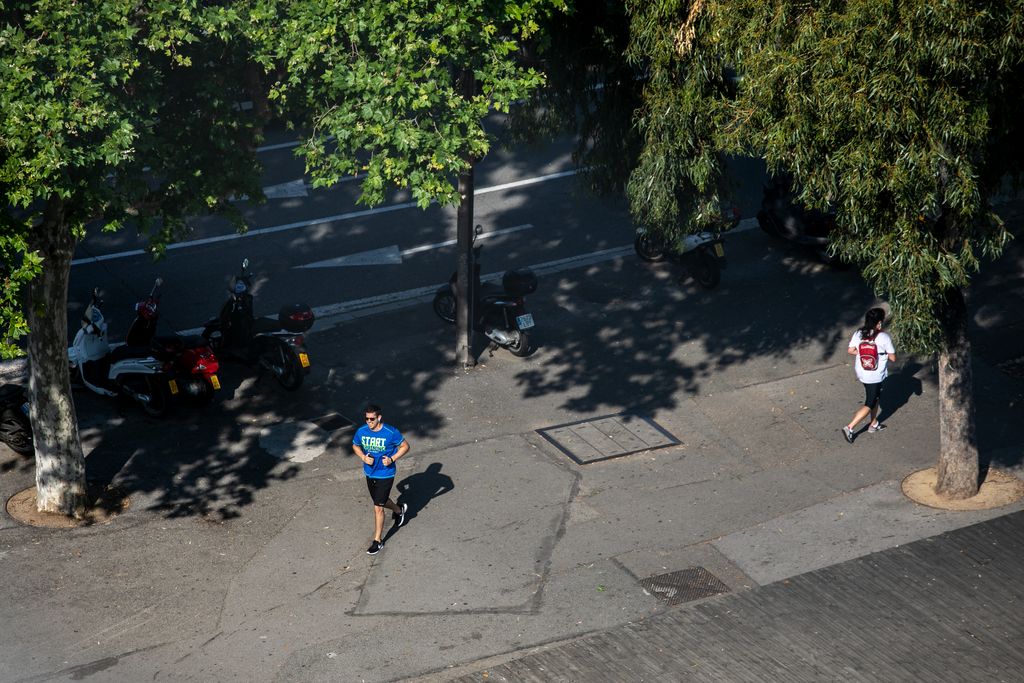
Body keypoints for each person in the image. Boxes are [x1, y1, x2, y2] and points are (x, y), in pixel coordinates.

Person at [352, 404, 410, 555]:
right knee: (380, 501)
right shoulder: (362, 431)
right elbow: (355, 446)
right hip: (369, 472)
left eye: (372, 419)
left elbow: (405, 446)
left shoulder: (390, 432)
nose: (369, 422)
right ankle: (399, 510)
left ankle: (377, 541)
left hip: (385, 473)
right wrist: (363, 457)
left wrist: (392, 459)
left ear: (379, 417)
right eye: (366, 419)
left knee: (378, 507)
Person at [842, 307, 896, 444]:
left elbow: (851, 350)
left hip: (862, 372)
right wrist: (880, 354)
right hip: (875, 375)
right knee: (870, 402)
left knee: (875, 397)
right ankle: (850, 427)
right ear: (879, 322)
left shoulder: (859, 333)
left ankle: (873, 424)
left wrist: (862, 354)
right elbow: (893, 358)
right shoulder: (883, 337)